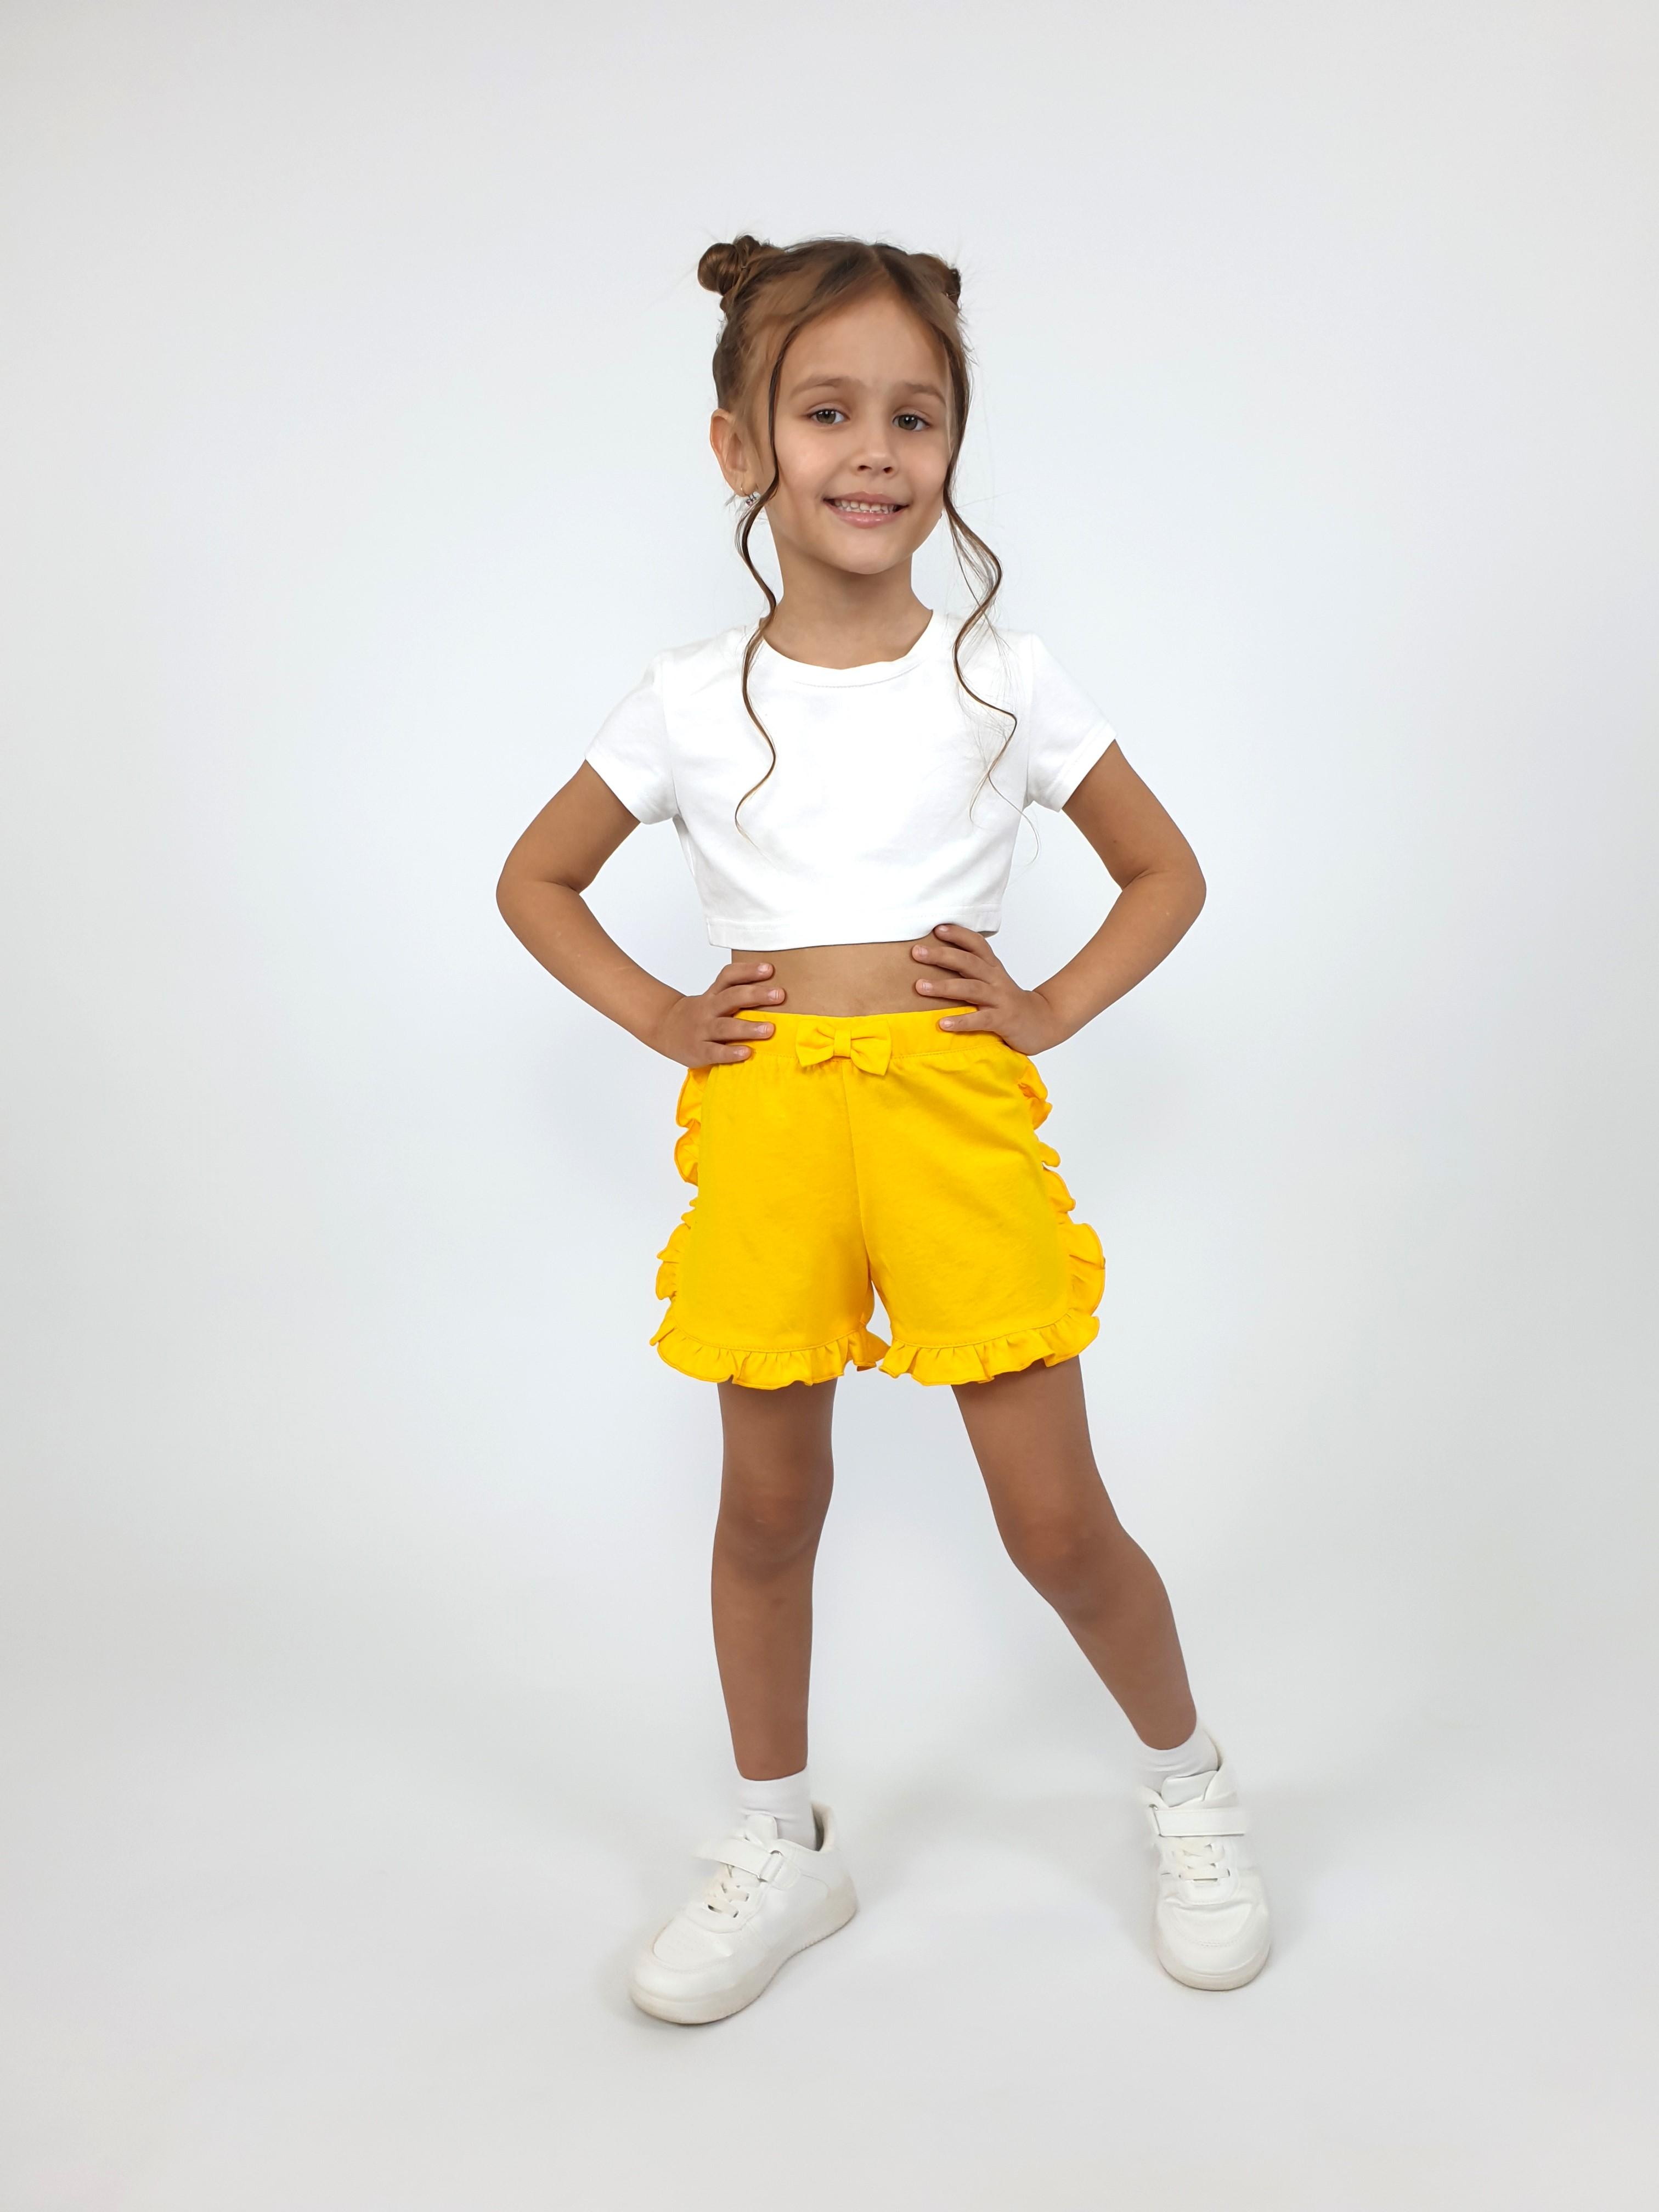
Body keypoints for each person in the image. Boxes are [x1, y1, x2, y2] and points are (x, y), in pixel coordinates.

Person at [496, 233, 1271, 2023]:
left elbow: (1163, 871)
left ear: (952, 449)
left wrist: (1047, 1008)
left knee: (1055, 1521)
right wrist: (670, 1021)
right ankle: (782, 1842)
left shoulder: (1002, 681)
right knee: (768, 1508)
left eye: (914, 417)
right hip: (769, 1129)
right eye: (826, 411)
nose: (873, 451)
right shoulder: (689, 699)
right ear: (739, 446)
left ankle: (1193, 1790)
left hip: (950, 1122)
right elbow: (538, 879)